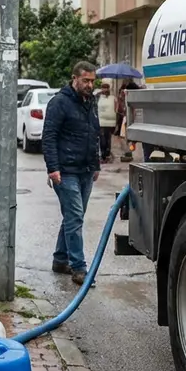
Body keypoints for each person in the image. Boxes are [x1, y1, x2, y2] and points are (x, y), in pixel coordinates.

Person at [42, 61, 102, 286]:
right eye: (86, 80)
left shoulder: (90, 102)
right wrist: (53, 168)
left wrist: (95, 164)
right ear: (74, 78)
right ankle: (79, 268)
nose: (90, 85)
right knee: (75, 216)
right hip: (65, 171)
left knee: (73, 217)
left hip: (85, 170)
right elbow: (49, 136)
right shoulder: (59, 102)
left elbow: (94, 132)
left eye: (92, 81)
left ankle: (60, 259)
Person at [97, 80, 119, 163]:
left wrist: (116, 122)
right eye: (103, 88)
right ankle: (103, 156)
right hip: (101, 122)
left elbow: (116, 109)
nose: (105, 90)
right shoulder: (98, 97)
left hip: (111, 123)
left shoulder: (113, 98)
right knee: (102, 140)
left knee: (108, 140)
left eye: (106, 88)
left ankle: (107, 155)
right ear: (101, 89)